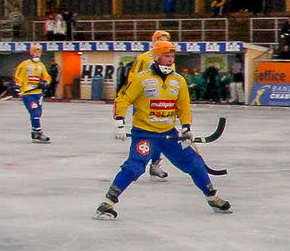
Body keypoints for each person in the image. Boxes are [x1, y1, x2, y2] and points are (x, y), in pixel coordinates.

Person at [96, 39, 230, 219]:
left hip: (169, 135)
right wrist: (119, 122)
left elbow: (183, 107)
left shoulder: (178, 80)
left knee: (195, 163)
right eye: (166, 56)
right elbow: (122, 99)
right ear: (157, 57)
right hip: (145, 134)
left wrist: (186, 127)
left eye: (172, 56)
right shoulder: (141, 79)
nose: (170, 59)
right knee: (134, 167)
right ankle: (107, 203)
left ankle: (212, 197)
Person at [117, 30, 173, 181]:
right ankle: (135, 163)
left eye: (166, 39)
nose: (164, 42)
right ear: (154, 41)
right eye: (160, 39)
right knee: (143, 133)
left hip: (161, 103)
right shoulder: (143, 58)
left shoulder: (169, 58)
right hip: (144, 102)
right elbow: (133, 78)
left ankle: (155, 165)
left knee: (161, 133)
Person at [14, 43, 53, 143]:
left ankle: (35, 132)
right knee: (34, 111)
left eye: (39, 52)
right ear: (31, 53)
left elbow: (47, 77)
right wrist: (17, 87)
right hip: (28, 93)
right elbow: (18, 76)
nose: (37, 54)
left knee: (38, 113)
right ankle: (38, 133)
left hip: (38, 93)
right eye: (35, 52)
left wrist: (45, 82)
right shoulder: (24, 64)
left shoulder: (41, 65)